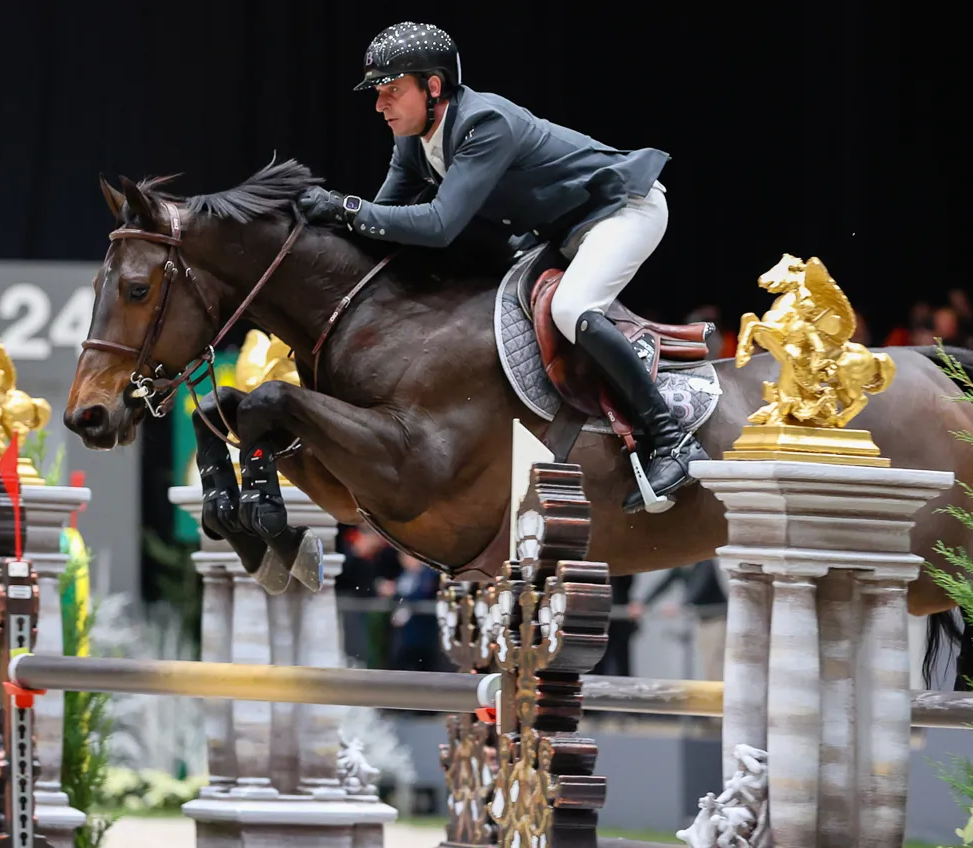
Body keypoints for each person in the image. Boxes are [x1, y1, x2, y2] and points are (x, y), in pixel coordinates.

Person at [295, 21, 708, 514]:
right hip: (566, 230)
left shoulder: (483, 122)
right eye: (378, 93)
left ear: (433, 86)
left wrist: (345, 207)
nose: (380, 104)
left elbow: (438, 224)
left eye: (391, 91)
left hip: (623, 210)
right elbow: (381, 226)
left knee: (574, 307)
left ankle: (673, 440)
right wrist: (308, 229)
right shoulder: (412, 142)